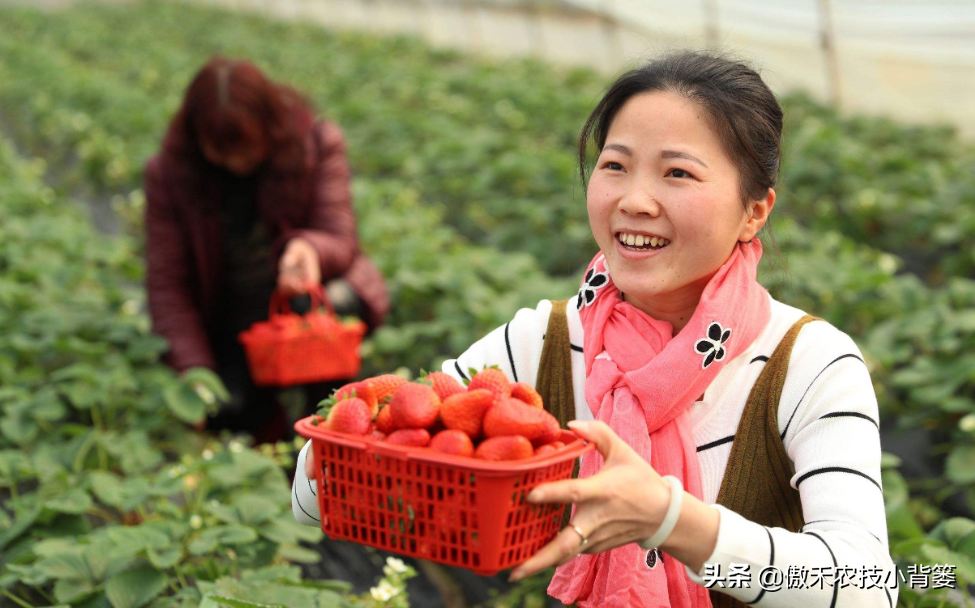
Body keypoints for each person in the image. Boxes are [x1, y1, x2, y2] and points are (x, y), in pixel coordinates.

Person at [292, 50, 896, 607]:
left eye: (677, 173)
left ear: (754, 210)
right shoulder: (542, 343)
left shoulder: (809, 363)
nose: (634, 199)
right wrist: (348, 450)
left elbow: (870, 584)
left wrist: (671, 521)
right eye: (615, 165)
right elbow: (313, 503)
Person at [145, 56, 389, 444]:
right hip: (232, 322)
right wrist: (195, 370)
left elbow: (340, 236)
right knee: (225, 406)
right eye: (222, 151)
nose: (237, 162)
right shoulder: (170, 177)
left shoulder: (314, 143)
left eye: (245, 147)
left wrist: (308, 248)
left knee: (322, 320)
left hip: (303, 302)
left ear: (269, 125)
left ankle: (330, 429)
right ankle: (271, 447)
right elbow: (167, 285)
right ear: (196, 139)